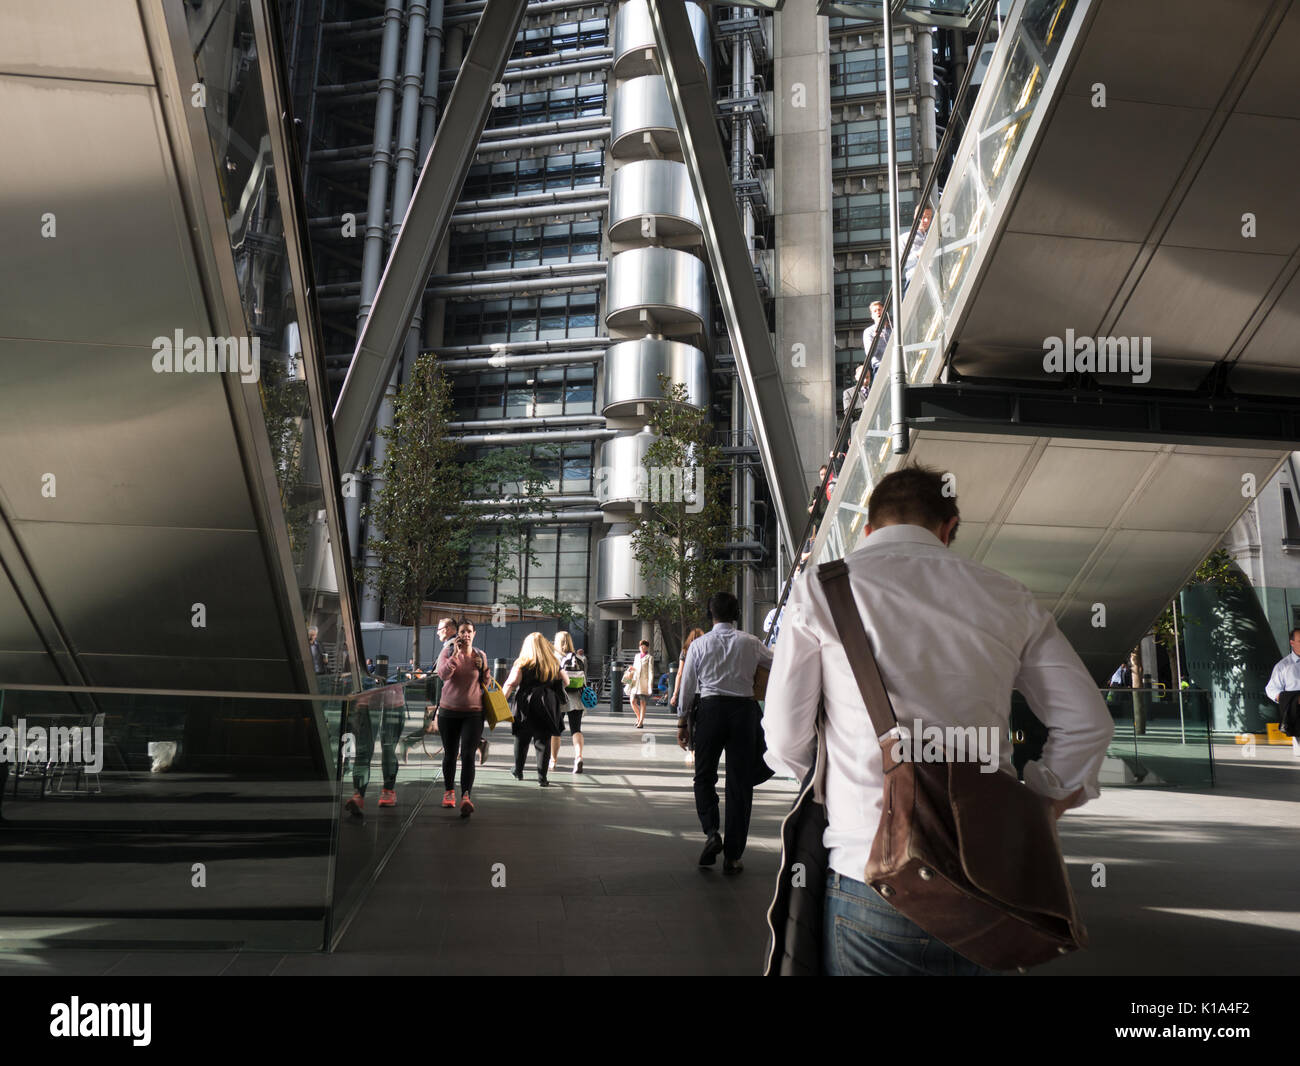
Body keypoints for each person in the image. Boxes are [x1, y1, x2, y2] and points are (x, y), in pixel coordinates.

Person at [762, 465, 1114, 976]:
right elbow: (1087, 723)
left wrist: (838, 790)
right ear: (948, 528)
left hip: (868, 873)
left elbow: (783, 735)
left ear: (867, 527)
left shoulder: (820, 590)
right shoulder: (1008, 595)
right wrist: (1038, 804)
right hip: (984, 883)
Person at [675, 592, 774, 874]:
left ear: (710, 615)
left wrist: (682, 722)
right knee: (739, 784)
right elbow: (778, 665)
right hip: (743, 713)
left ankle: (711, 832)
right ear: (737, 614)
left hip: (710, 710)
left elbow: (688, 686)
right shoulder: (751, 643)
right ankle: (733, 855)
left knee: (704, 776)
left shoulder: (699, 645)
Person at [434, 620, 490, 817]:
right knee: (450, 754)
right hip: (449, 712)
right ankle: (449, 792)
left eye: (469, 631)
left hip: (474, 713)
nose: (466, 634)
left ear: (474, 634)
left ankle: (466, 796)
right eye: (462, 631)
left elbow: (486, 682)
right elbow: (443, 674)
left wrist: (483, 667)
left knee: (467, 755)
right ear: (457, 634)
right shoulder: (448, 652)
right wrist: (456, 656)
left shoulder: (480, 655)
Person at [503, 633, 570, 786]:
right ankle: (542, 778)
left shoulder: (522, 662)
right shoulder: (553, 662)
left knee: (521, 738)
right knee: (543, 741)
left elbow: (512, 683)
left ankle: (518, 771)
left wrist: (500, 701)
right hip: (547, 703)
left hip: (525, 703)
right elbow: (566, 681)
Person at [400, 617, 458, 761]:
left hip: (445, 698)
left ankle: (408, 743)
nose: (437, 633)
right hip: (446, 699)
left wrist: (440, 703)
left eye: (439, 629)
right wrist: (424, 675)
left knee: (440, 726)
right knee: (445, 727)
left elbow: (443, 674)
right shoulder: (449, 645)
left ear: (448, 629)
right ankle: (476, 745)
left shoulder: (452, 646)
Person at [552, 631, 587, 774]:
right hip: (576, 698)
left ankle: (553, 760)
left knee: (555, 731)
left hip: (559, 699)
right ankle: (578, 757)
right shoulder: (579, 658)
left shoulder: (554, 658)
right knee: (576, 730)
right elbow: (584, 680)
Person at [1264, 628, 1300, 758]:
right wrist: (1291, 700)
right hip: (1297, 715)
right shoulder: (1283, 666)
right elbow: (1271, 689)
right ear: (1292, 643)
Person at [626, 640, 654, 728]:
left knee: (642, 702)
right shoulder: (637, 656)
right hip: (635, 682)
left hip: (643, 683)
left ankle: (641, 722)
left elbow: (651, 671)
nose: (642, 647)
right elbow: (635, 667)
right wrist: (631, 669)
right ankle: (639, 718)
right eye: (640, 646)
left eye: (644, 646)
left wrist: (650, 684)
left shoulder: (649, 657)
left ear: (647, 647)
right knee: (632, 701)